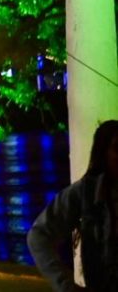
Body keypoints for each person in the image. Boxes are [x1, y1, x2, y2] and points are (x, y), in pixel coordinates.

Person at [27, 119, 118, 291]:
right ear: (103, 153)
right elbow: (38, 236)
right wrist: (65, 286)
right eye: (117, 149)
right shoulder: (86, 193)